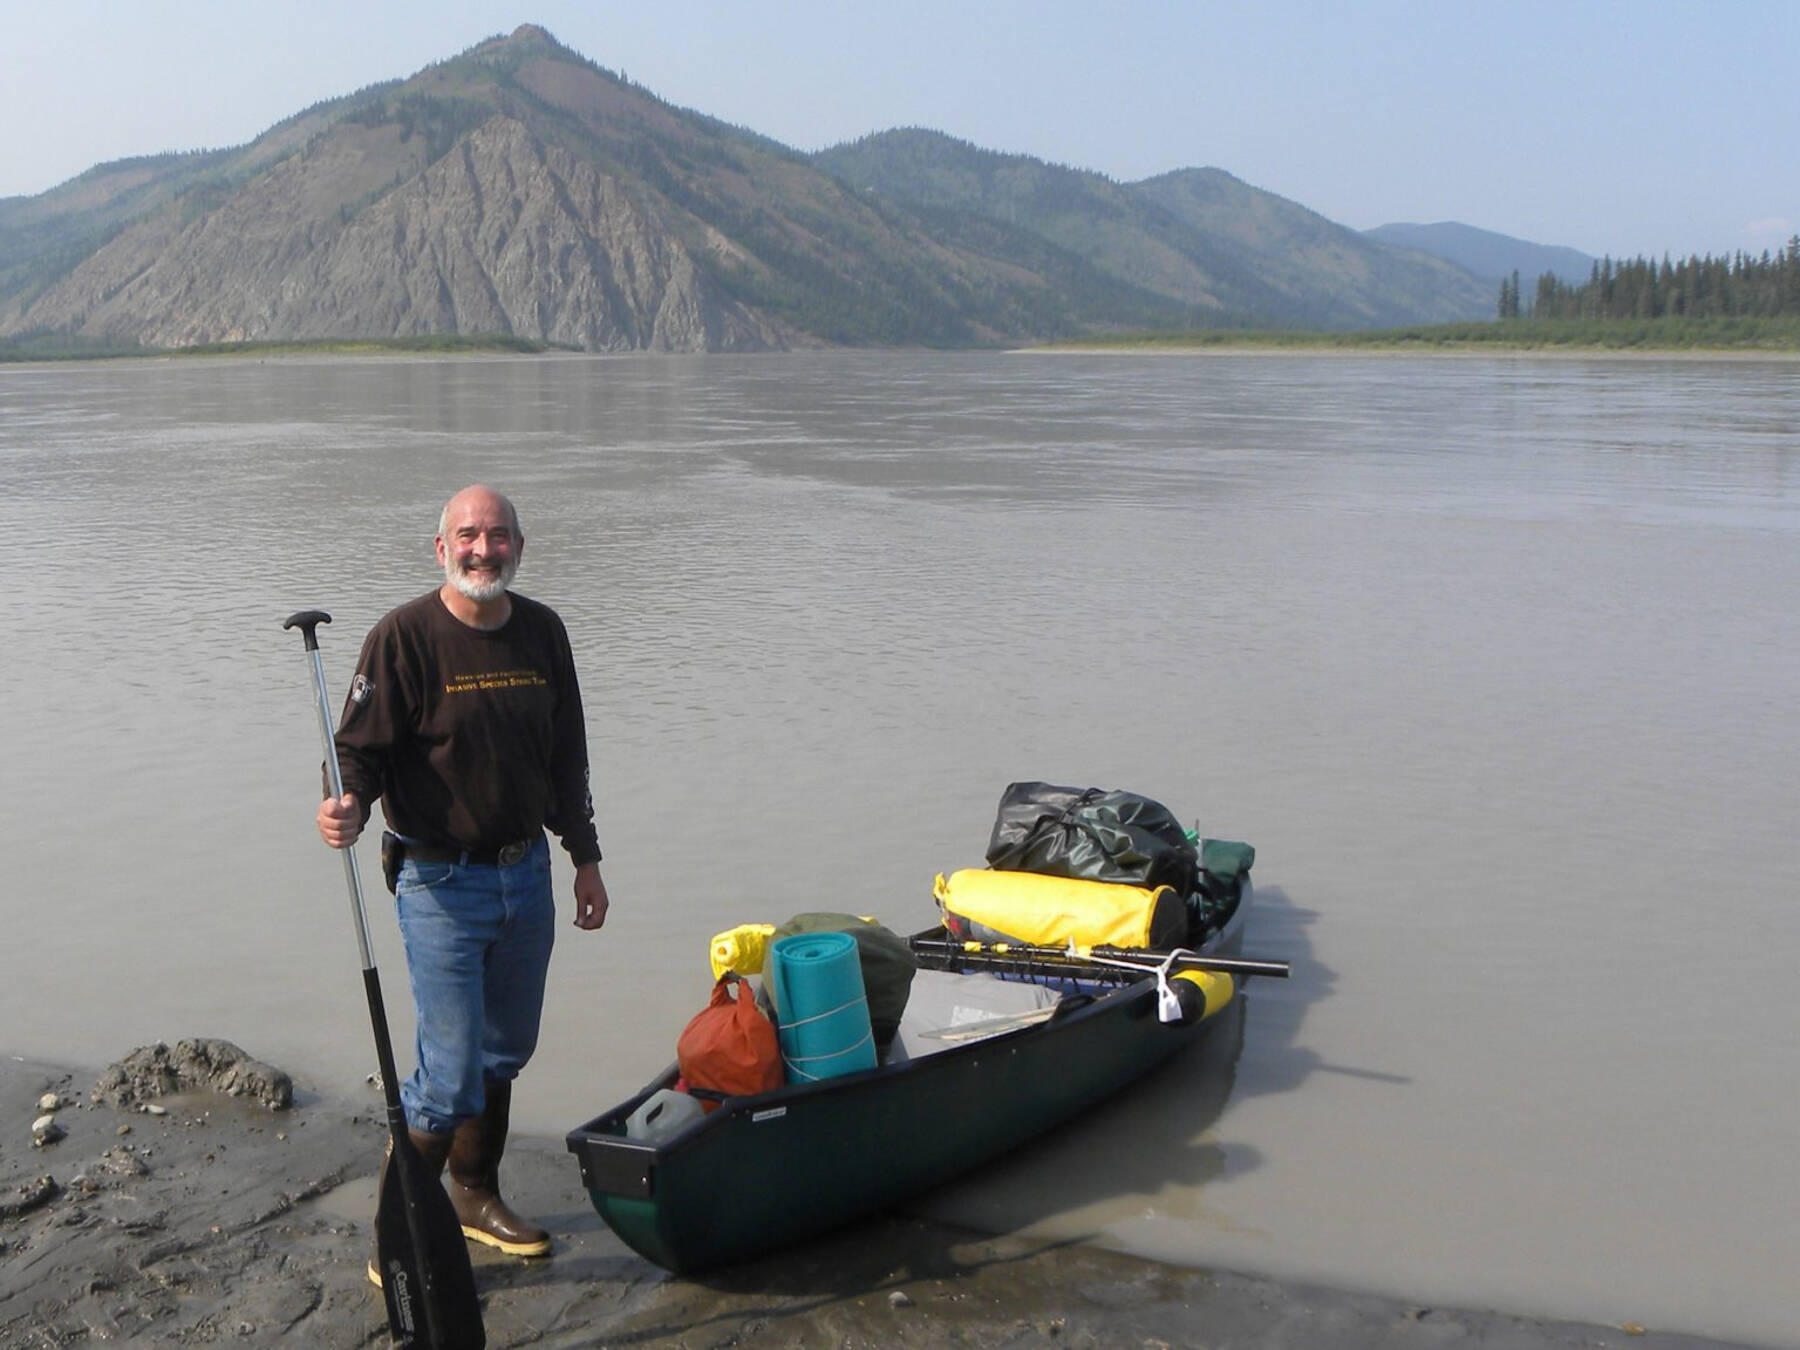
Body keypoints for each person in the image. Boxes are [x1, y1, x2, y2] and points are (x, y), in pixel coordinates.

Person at [314, 484, 609, 1282]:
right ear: (440, 548)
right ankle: (401, 1231)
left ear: (520, 545)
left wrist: (585, 857)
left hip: (528, 879)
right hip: (439, 884)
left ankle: (474, 1195)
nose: (485, 550)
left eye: (500, 536)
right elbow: (356, 754)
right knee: (445, 1076)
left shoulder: (543, 632)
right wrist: (346, 804)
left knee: (505, 1052)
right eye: (469, 537)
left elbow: (567, 756)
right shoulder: (403, 637)